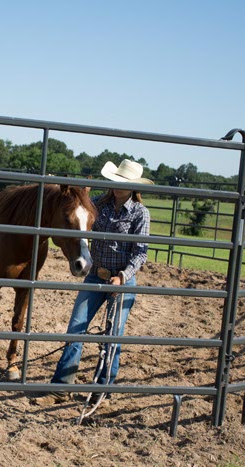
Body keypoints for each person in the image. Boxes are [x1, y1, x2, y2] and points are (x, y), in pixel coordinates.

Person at [33, 159, 152, 406]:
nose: (117, 186)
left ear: (134, 187)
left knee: (113, 336)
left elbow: (140, 253)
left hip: (122, 281)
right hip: (96, 275)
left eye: (124, 183)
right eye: (116, 181)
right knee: (76, 328)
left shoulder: (140, 213)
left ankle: (102, 390)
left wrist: (123, 276)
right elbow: (78, 214)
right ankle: (61, 387)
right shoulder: (97, 204)